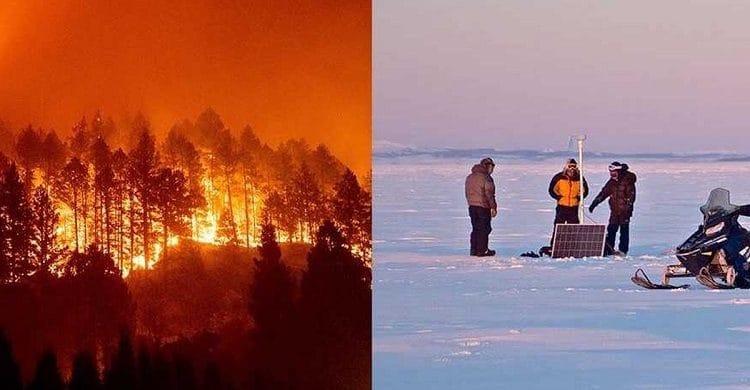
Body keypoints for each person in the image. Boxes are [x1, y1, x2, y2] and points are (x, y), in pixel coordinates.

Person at [588, 161, 637, 256]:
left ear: (619, 171)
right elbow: (603, 193)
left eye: (613, 172)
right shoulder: (612, 182)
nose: (611, 174)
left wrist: (627, 208)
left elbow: (631, 197)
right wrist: (595, 203)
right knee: (611, 230)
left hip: (625, 211)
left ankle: (623, 251)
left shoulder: (628, 180)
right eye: (610, 172)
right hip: (614, 211)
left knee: (624, 231)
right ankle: (609, 250)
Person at [465, 157, 497, 256]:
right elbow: (489, 194)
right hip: (483, 207)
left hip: (472, 206)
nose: (492, 170)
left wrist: (471, 203)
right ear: (486, 166)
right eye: (491, 167)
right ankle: (482, 250)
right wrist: (493, 207)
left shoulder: (470, 177)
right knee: (485, 228)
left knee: (476, 228)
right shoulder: (486, 178)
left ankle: (474, 249)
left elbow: (467, 192)